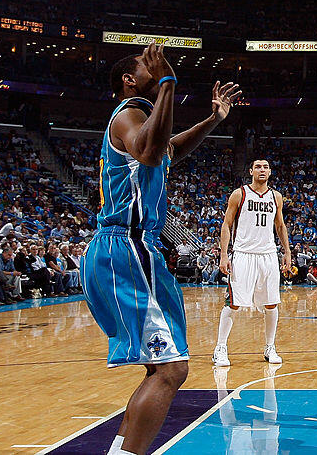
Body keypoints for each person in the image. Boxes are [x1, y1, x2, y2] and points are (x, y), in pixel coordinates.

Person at [82, 44, 240, 455]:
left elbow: (168, 150)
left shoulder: (142, 121)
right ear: (129, 80)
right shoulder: (130, 112)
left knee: (161, 368)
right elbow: (152, 151)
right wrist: (168, 82)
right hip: (126, 247)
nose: (155, 65)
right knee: (172, 368)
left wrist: (213, 118)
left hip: (128, 249)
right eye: (146, 64)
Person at [212, 159, 292, 367]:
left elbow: (280, 226)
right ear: (251, 171)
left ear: (270, 172)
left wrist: (287, 252)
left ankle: (270, 346)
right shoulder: (239, 194)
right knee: (234, 302)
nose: (262, 170)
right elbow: (227, 225)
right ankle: (220, 348)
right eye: (258, 166)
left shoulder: (276, 197)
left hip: (268, 255)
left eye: (265, 167)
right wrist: (223, 254)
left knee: (271, 303)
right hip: (243, 254)